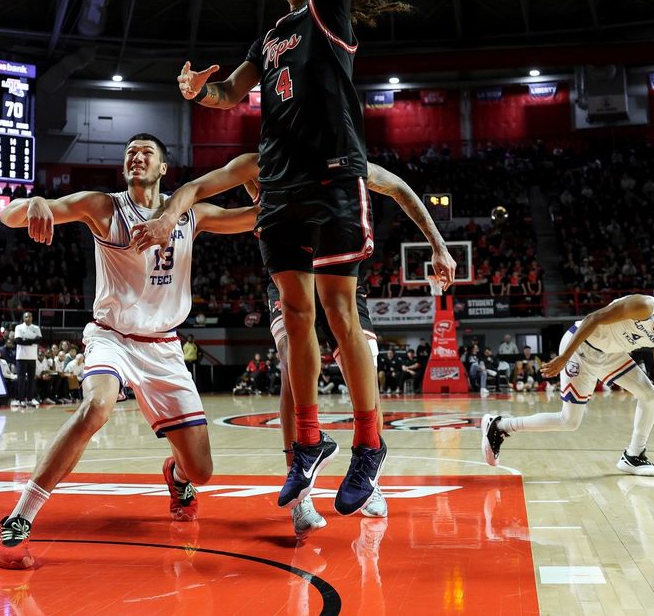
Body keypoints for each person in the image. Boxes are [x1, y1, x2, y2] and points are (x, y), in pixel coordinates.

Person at [174, 0, 417, 515]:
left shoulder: (328, 14)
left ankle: (370, 441)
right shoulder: (269, 33)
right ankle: (309, 440)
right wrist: (199, 91)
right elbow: (232, 94)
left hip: (332, 169)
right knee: (299, 315)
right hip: (279, 184)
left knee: (343, 314)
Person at [133, 153, 454, 530]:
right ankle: (300, 490)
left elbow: (399, 186)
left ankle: (369, 476)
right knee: (290, 367)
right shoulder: (261, 161)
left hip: (337, 271)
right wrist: (168, 217)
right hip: (288, 273)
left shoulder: (339, 155)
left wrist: (438, 245)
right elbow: (195, 188)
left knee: (363, 359)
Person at [0, 133, 257, 569]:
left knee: (202, 472)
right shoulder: (104, 206)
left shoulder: (189, 213)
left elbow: (256, 217)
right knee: (96, 407)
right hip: (111, 335)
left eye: (147, 152)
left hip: (164, 347)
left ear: (163, 168)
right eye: (129, 151)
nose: (136, 156)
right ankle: (19, 519)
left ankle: (176, 475)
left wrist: (259, 182)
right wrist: (34, 201)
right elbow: (9, 215)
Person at [482, 282, 654, 477]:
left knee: (650, 394)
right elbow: (593, 318)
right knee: (569, 422)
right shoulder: (645, 305)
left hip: (612, 355)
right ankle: (500, 426)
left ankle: (633, 456)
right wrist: (564, 357)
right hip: (581, 348)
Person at [12, 311, 41, 408]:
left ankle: (30, 399)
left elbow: (39, 340)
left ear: (32, 318)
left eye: (29, 317)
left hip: (32, 357)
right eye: (26, 317)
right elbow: (19, 341)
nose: (28, 318)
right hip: (21, 357)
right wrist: (32, 341)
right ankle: (20, 400)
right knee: (21, 379)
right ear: (23, 318)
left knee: (31, 379)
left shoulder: (36, 328)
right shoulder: (18, 327)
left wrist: (26, 340)